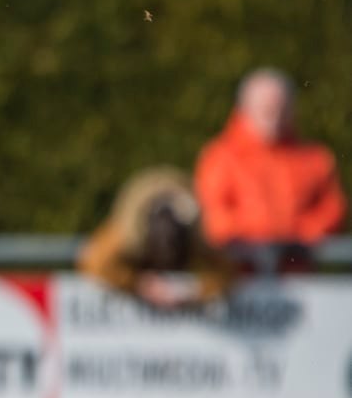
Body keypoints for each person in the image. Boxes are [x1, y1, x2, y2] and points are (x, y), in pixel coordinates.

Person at [195, 68, 345, 274]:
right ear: (245, 109)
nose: (275, 118)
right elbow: (214, 218)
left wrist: (298, 235)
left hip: (297, 275)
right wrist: (271, 234)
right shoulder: (219, 157)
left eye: (282, 110)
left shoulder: (315, 158)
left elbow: (333, 210)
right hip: (240, 278)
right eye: (267, 110)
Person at [78, 167, 232, 307]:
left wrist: (193, 293)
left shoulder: (198, 233)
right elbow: (94, 263)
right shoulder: (123, 231)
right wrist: (139, 283)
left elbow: (226, 271)